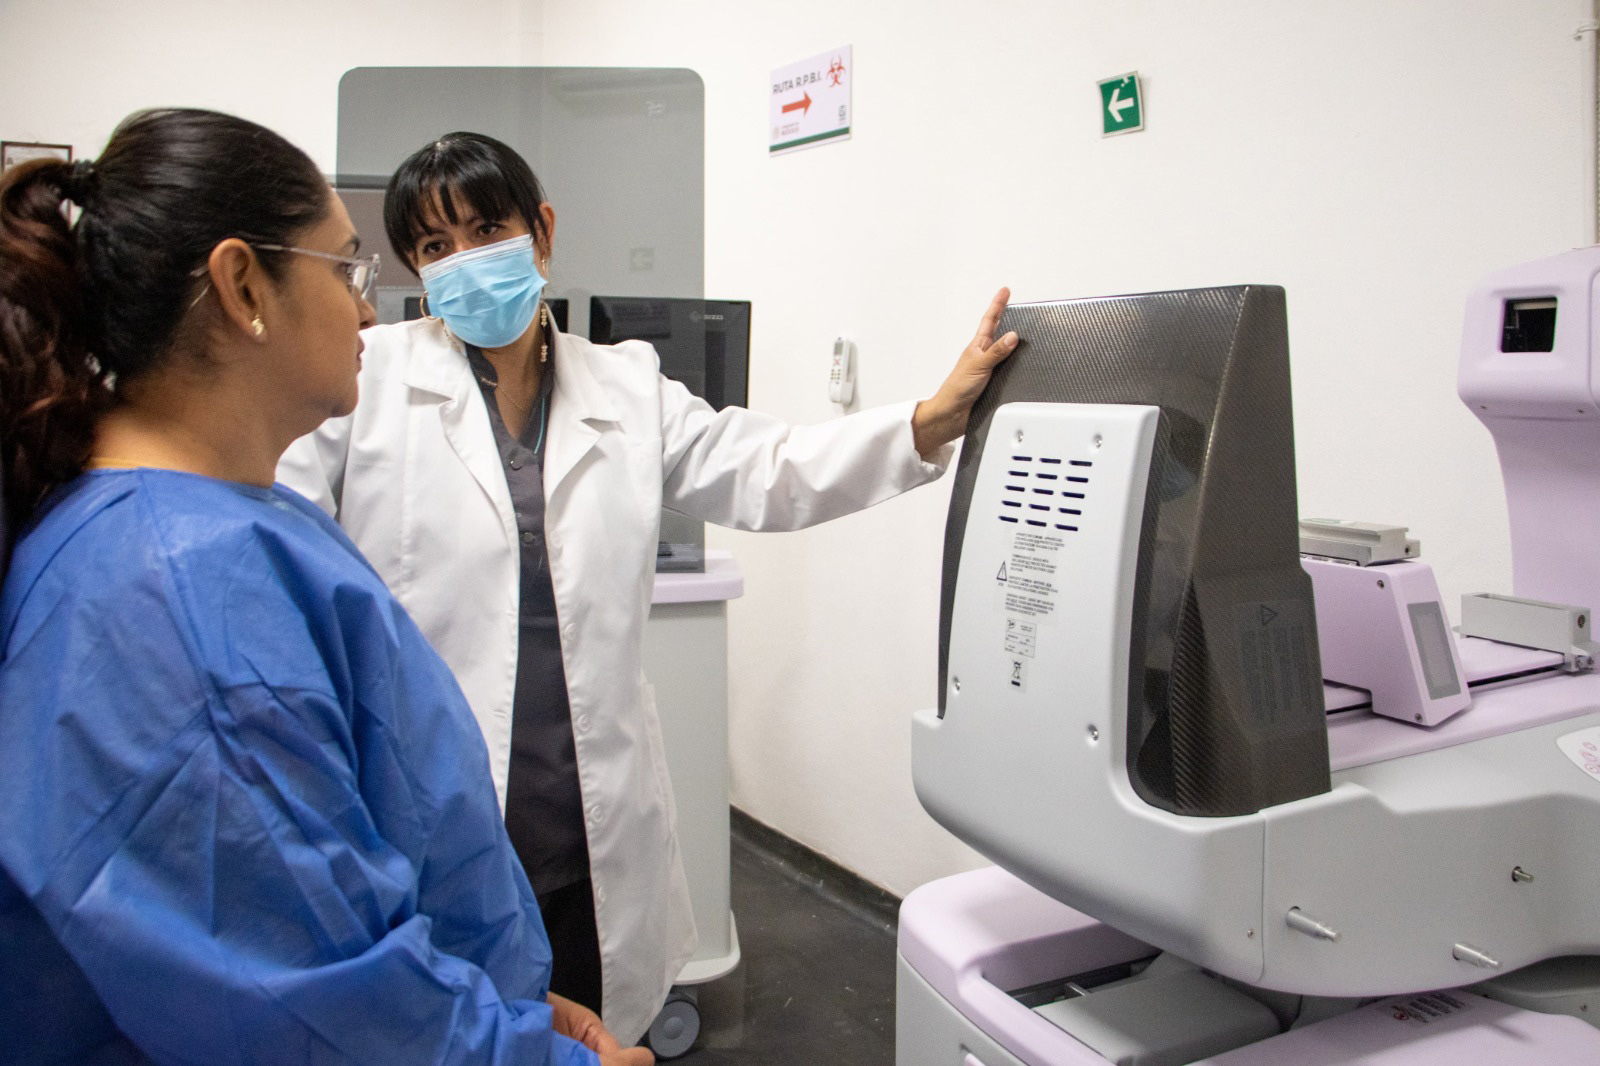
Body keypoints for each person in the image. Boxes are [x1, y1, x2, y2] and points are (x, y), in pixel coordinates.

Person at [276, 130, 1019, 1045]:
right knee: (451, 1037)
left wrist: (929, 420)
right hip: (432, 823)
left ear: (542, 232)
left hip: (584, 824)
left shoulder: (625, 384)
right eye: (436, 245)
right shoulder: (366, 381)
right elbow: (281, 549)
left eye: (486, 230)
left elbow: (769, 468)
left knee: (590, 1026)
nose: (465, 259)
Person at [0, 108, 652, 1066]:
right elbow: (314, 1008)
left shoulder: (233, 524)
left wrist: (502, 999)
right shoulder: (177, 594)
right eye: (348, 270)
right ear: (243, 286)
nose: (369, 311)